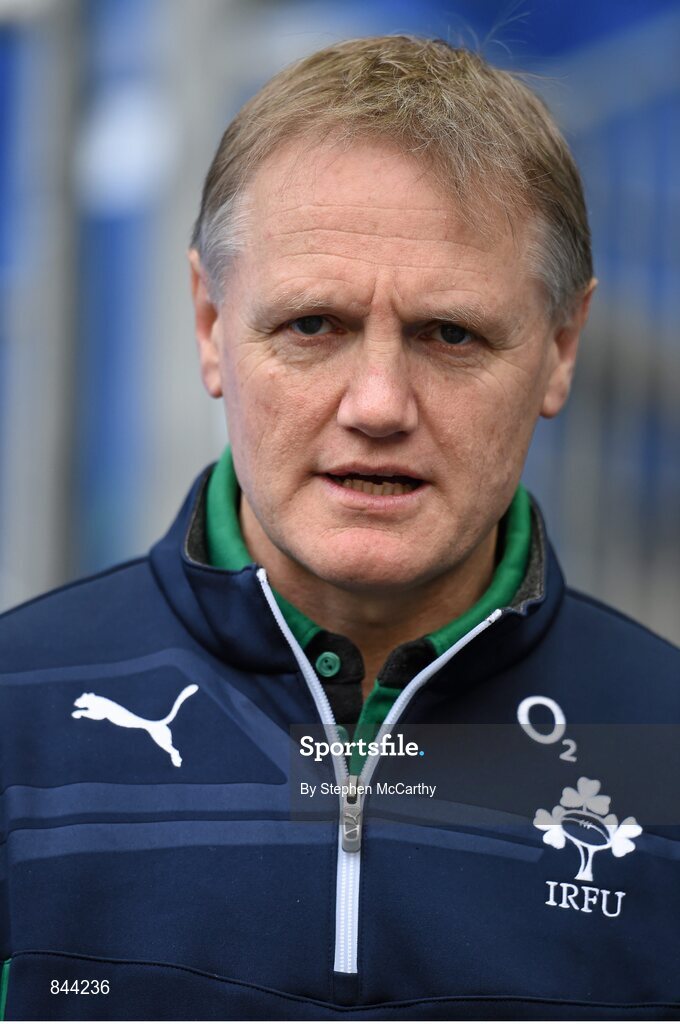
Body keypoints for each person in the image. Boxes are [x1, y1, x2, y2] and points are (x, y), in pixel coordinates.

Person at [0, 35, 678, 1022]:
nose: (376, 402)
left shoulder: (661, 739)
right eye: (312, 325)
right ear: (209, 324)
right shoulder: (15, 717)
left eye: (450, 334)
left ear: (560, 348)